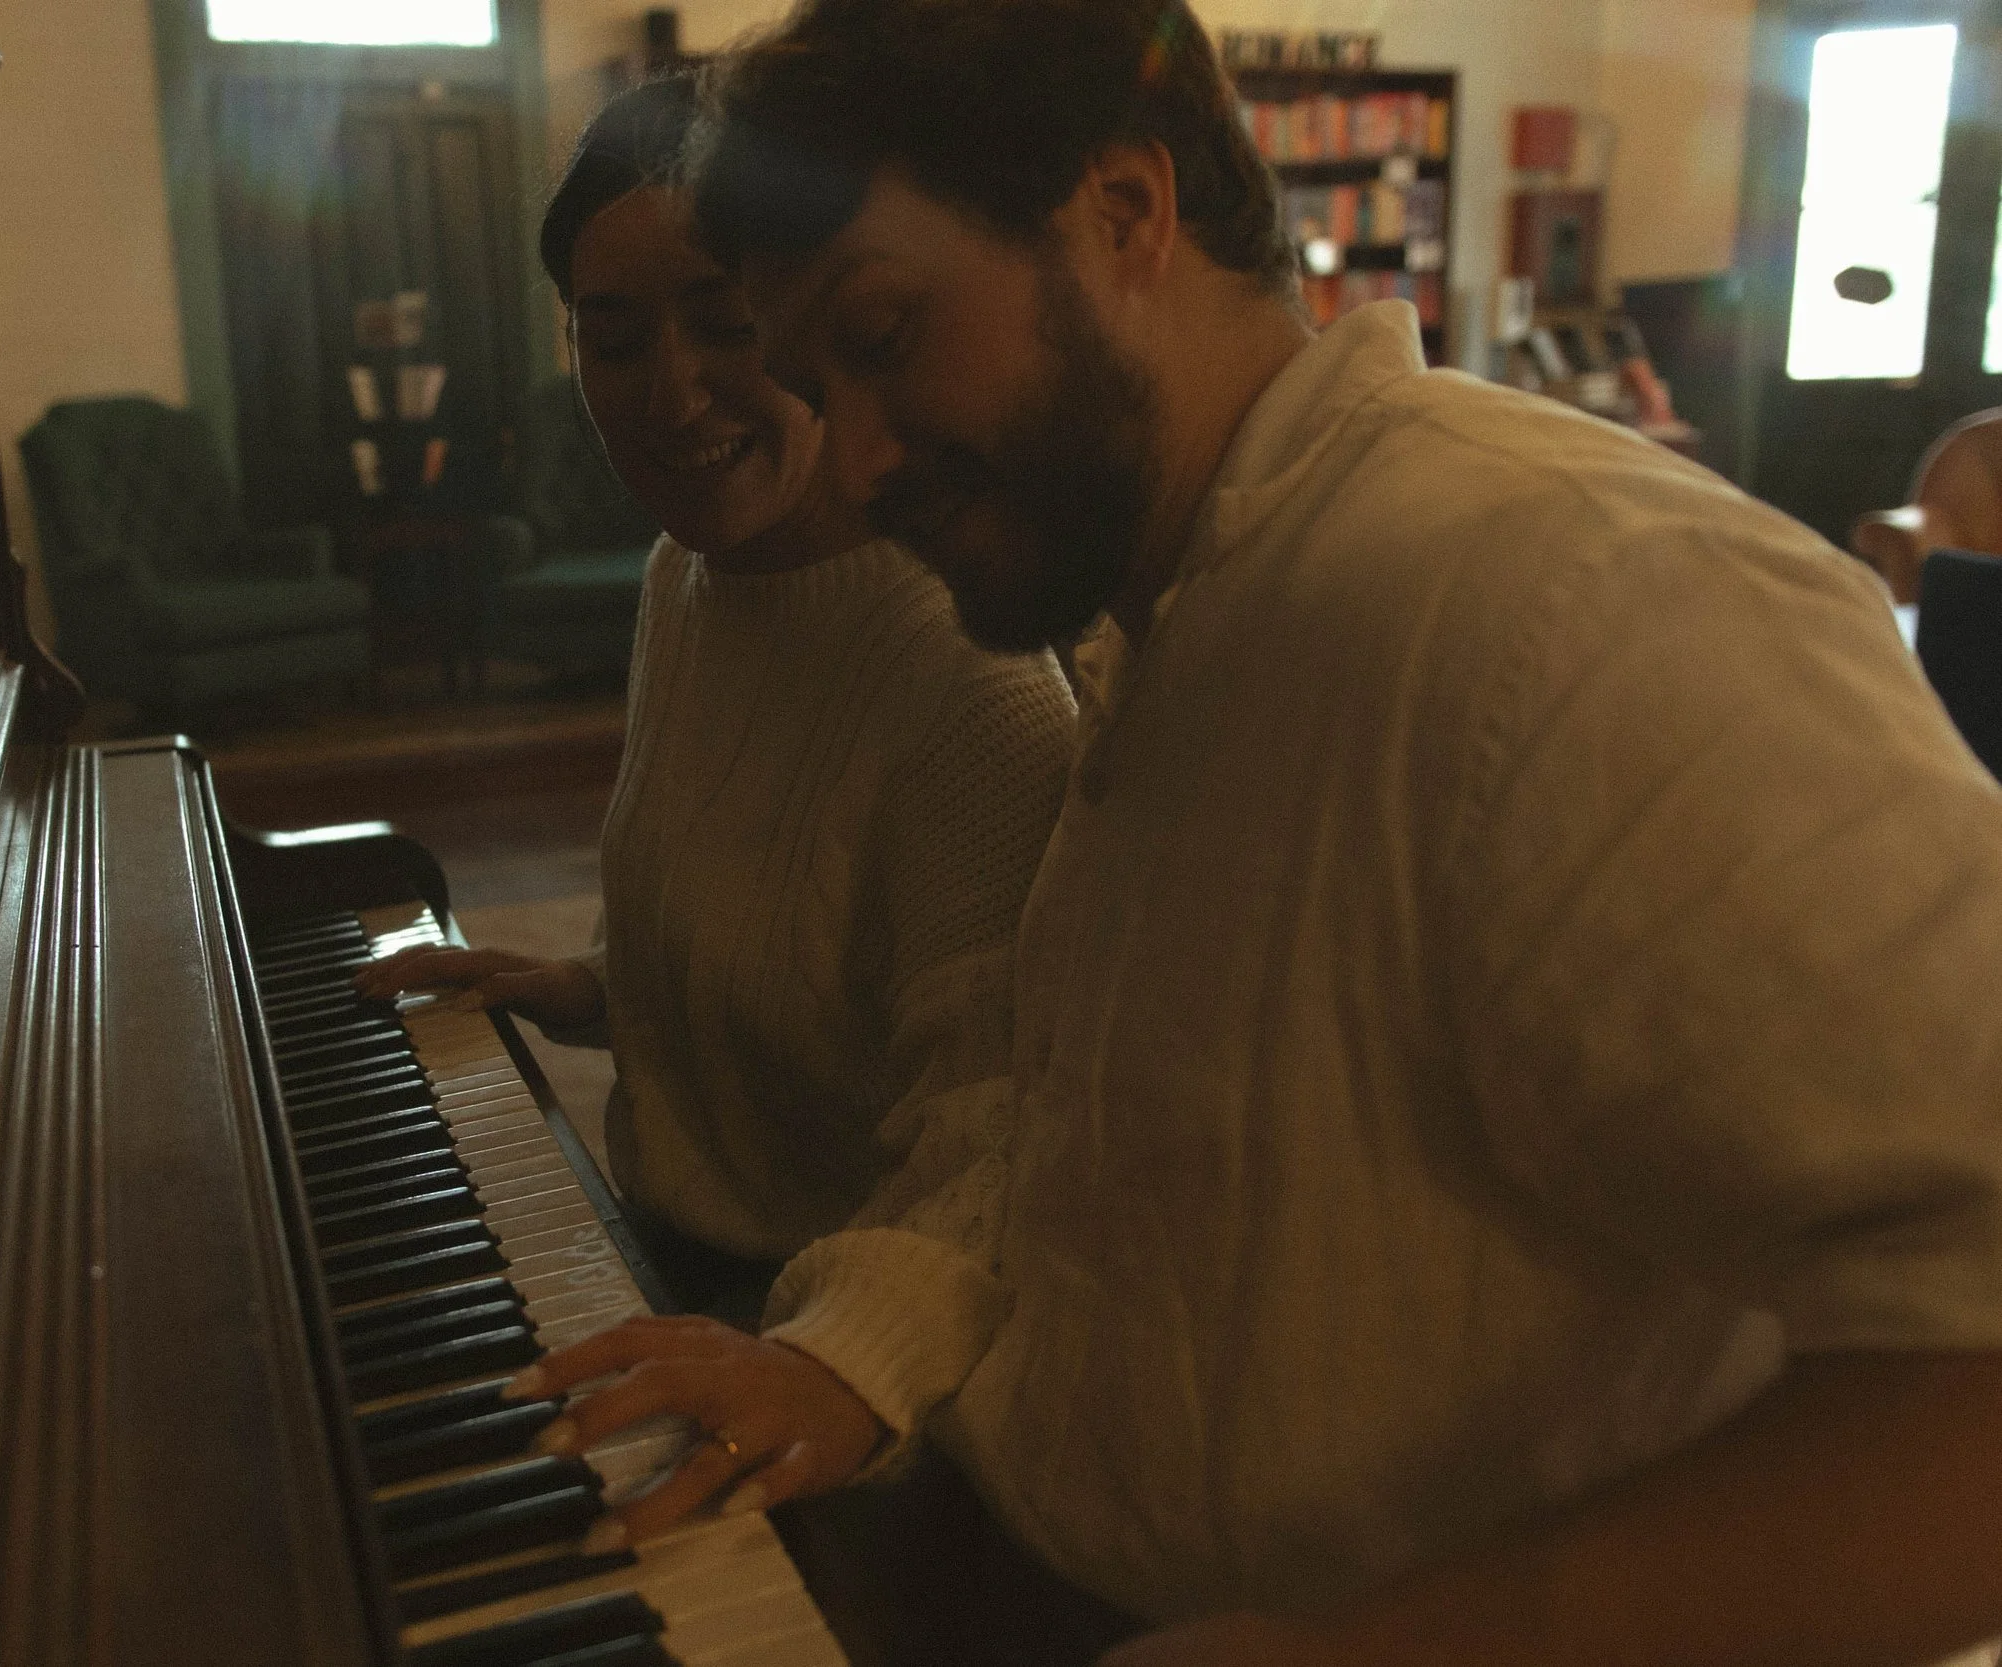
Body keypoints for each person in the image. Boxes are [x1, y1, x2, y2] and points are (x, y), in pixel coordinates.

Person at [502, 6, 2002, 1664]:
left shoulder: (1569, 594)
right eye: (814, 382)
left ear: (1124, 214)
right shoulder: (1170, 618)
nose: (850, 461)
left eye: (885, 336)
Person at [357, 76, 1074, 1324]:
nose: (672, 394)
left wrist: (816, 1363)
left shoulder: (970, 680)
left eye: (723, 320)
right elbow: (776, 962)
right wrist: (584, 983)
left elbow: (991, 1160)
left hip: (836, 1352)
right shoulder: (684, 575)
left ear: (815, 316)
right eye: (616, 338)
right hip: (667, 1271)